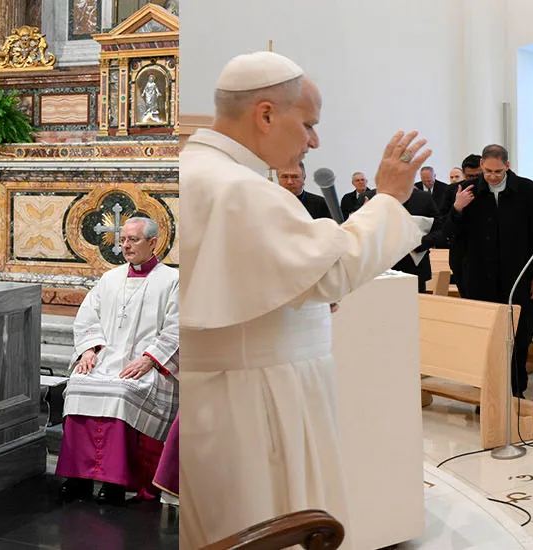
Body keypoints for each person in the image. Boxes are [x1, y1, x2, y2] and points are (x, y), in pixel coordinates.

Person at [179, 51, 432, 544]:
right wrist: (388, 197)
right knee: (280, 521)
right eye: (309, 124)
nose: (314, 141)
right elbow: (334, 271)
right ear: (267, 114)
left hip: (220, 394)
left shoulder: (199, 170)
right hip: (258, 402)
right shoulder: (238, 188)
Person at [59, 217, 178, 505]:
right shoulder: (110, 278)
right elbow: (88, 316)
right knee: (77, 384)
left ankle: (114, 483)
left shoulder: (172, 281)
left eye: (133, 239)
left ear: (153, 242)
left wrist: (150, 359)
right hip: (106, 358)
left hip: (145, 363)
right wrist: (89, 350)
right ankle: (78, 477)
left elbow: (177, 327)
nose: (125, 245)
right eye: (123, 239)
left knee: (122, 392)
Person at [450, 144, 533, 397]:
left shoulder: (527, 190)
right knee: (485, 338)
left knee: (519, 335)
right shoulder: (467, 191)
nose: (493, 176)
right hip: (480, 278)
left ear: (507, 165)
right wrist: (457, 209)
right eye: (487, 171)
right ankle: (487, 391)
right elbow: (451, 234)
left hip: (518, 276)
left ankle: (516, 391)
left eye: (498, 171)